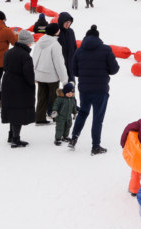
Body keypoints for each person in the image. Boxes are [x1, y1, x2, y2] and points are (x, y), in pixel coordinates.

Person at [68, 24, 119, 153]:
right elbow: (114, 69)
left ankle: (74, 138)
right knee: (98, 117)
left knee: (83, 112)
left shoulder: (79, 50)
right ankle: (95, 146)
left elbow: (75, 71)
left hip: (84, 88)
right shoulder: (106, 49)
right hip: (101, 89)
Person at [0, 31, 35, 148]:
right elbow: (28, 74)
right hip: (20, 85)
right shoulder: (25, 56)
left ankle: (11, 136)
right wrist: (31, 85)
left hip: (7, 82)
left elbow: (4, 67)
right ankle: (16, 140)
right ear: (27, 42)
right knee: (18, 112)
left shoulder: (8, 52)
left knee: (12, 110)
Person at [32, 23, 67, 125]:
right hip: (51, 76)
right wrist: (64, 80)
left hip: (39, 74)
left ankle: (40, 118)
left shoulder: (39, 42)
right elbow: (59, 63)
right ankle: (57, 118)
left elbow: (34, 57)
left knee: (41, 97)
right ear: (56, 32)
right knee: (55, 98)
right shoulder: (55, 44)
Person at [52, 82, 78, 147]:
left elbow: (74, 106)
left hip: (68, 116)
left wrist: (75, 113)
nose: (70, 94)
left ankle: (65, 136)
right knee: (60, 127)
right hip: (61, 116)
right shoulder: (60, 99)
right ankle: (58, 138)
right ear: (65, 92)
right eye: (68, 93)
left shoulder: (72, 99)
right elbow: (56, 105)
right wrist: (54, 111)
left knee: (68, 127)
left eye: (71, 93)